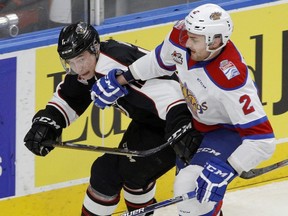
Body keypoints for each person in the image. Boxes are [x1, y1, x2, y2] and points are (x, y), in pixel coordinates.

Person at [90, 3, 276, 216]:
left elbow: (263, 140)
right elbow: (158, 60)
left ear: (215, 41)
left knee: (191, 192)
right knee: (195, 199)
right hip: (196, 124)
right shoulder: (182, 36)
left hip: (225, 132)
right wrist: (122, 78)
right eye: (189, 35)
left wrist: (229, 167)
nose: (187, 42)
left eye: (195, 39)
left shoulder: (231, 80)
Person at [23, 21, 203, 216]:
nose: (78, 67)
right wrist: (48, 122)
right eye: (71, 62)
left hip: (180, 122)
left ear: (94, 48)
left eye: (81, 59)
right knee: (134, 178)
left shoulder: (112, 67)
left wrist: (181, 128)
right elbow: (71, 97)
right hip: (151, 122)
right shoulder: (91, 64)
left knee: (106, 173)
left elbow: (171, 93)